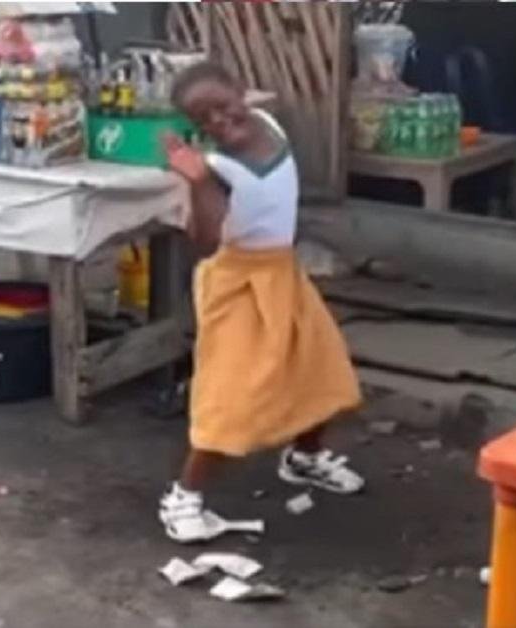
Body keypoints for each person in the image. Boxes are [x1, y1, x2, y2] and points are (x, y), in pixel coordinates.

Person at [157, 61, 365, 543]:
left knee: (319, 369)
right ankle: (184, 498)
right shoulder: (216, 169)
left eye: (223, 106)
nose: (217, 121)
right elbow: (206, 242)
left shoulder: (270, 124)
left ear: (243, 94)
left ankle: (305, 458)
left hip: (281, 273)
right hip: (238, 284)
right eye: (202, 117)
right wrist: (196, 180)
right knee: (231, 395)